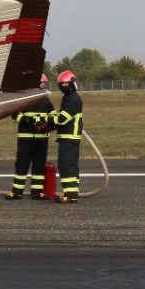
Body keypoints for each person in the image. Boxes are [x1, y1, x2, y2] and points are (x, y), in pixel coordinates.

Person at [6, 73, 55, 200]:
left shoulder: (46, 101)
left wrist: (47, 123)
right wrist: (29, 120)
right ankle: (16, 192)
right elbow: (15, 115)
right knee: (22, 165)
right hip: (25, 139)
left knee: (39, 166)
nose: (44, 85)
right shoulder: (24, 100)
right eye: (42, 82)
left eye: (44, 83)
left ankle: (37, 192)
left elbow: (54, 117)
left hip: (41, 139)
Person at [52, 70, 84, 203]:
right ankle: (73, 192)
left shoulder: (73, 98)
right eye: (61, 83)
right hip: (68, 136)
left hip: (69, 136)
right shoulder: (68, 97)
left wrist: (47, 120)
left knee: (66, 165)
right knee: (71, 164)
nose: (63, 85)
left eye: (65, 83)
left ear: (71, 83)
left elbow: (62, 119)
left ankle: (70, 195)